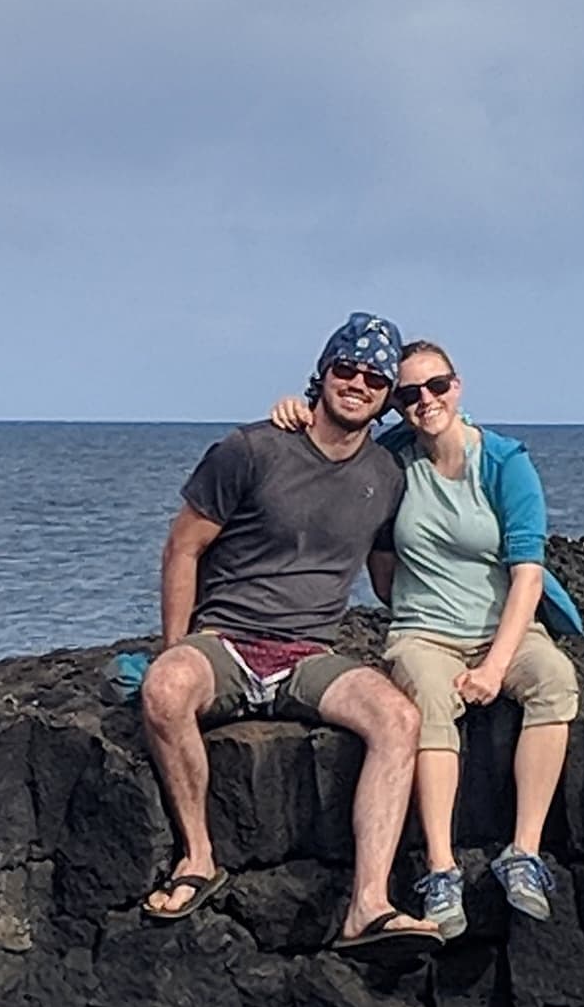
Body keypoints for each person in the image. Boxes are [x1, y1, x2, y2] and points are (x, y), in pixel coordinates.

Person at [134, 315, 435, 953]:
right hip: (227, 638)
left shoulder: (387, 476)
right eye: (345, 369)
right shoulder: (252, 449)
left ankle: (369, 904)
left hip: (309, 654)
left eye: (375, 376)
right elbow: (182, 548)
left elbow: (390, 582)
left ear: (387, 396)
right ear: (322, 373)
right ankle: (197, 858)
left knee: (399, 721)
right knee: (164, 690)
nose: (358, 383)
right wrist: (176, 645)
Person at [266, 337, 582, 936]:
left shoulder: (505, 462)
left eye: (436, 387)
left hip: (503, 628)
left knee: (555, 680)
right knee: (430, 701)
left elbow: (527, 576)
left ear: (457, 386)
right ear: (396, 405)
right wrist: (296, 415)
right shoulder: (392, 462)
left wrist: (494, 667)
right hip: (423, 633)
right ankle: (441, 869)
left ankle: (524, 852)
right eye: (408, 394)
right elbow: (337, 464)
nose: (425, 401)